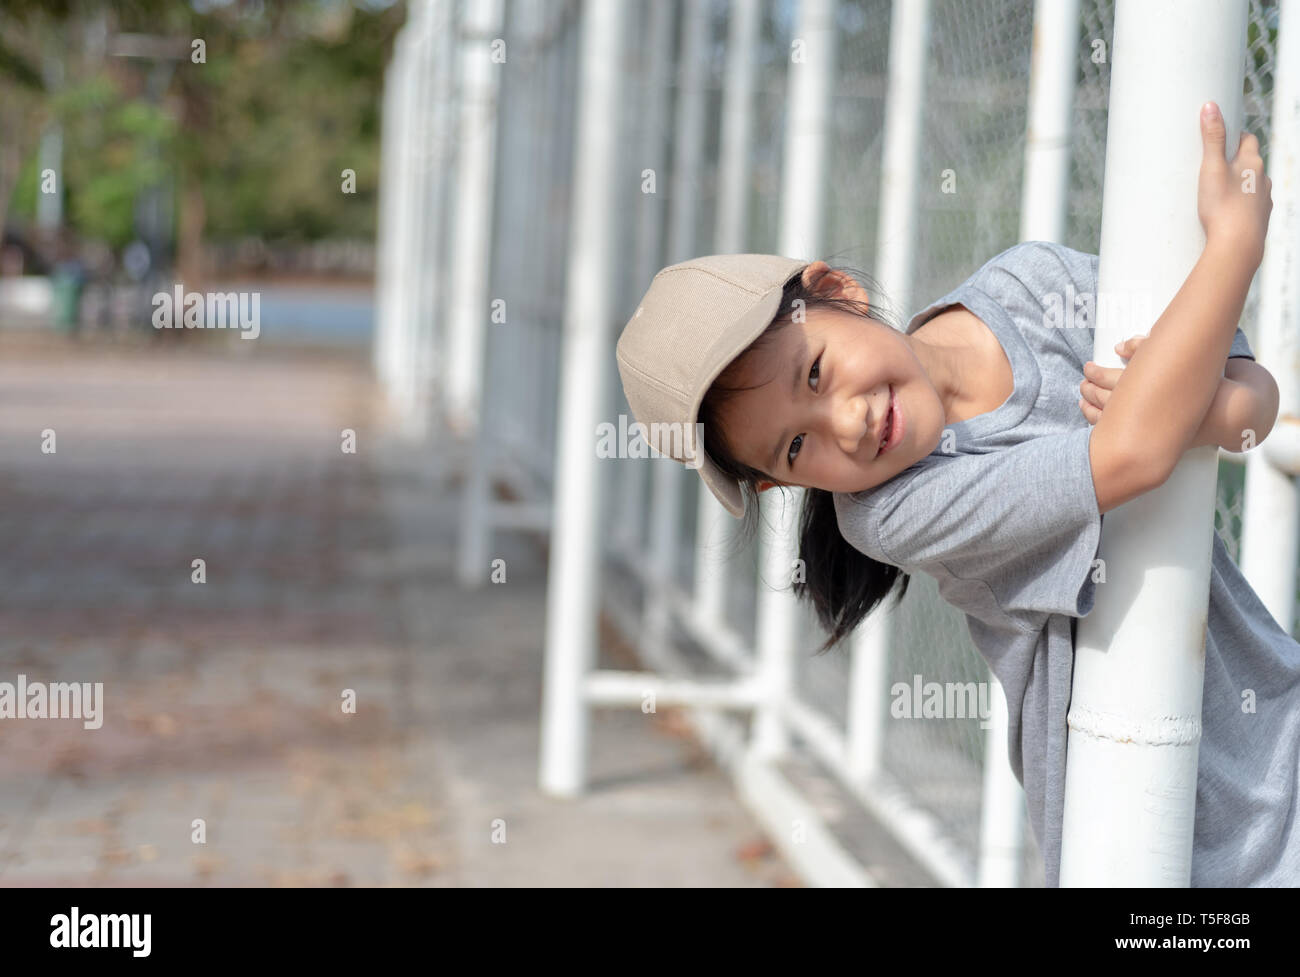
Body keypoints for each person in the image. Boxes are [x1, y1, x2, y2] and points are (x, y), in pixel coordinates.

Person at [615, 100, 1296, 886]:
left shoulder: (1031, 286)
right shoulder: (891, 511)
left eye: (816, 372)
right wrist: (1236, 244)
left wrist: (1197, 409)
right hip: (1152, 832)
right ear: (783, 482)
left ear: (837, 290)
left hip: (1278, 730)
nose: (848, 422)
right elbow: (1133, 453)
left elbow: (1256, 405)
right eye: (796, 446)